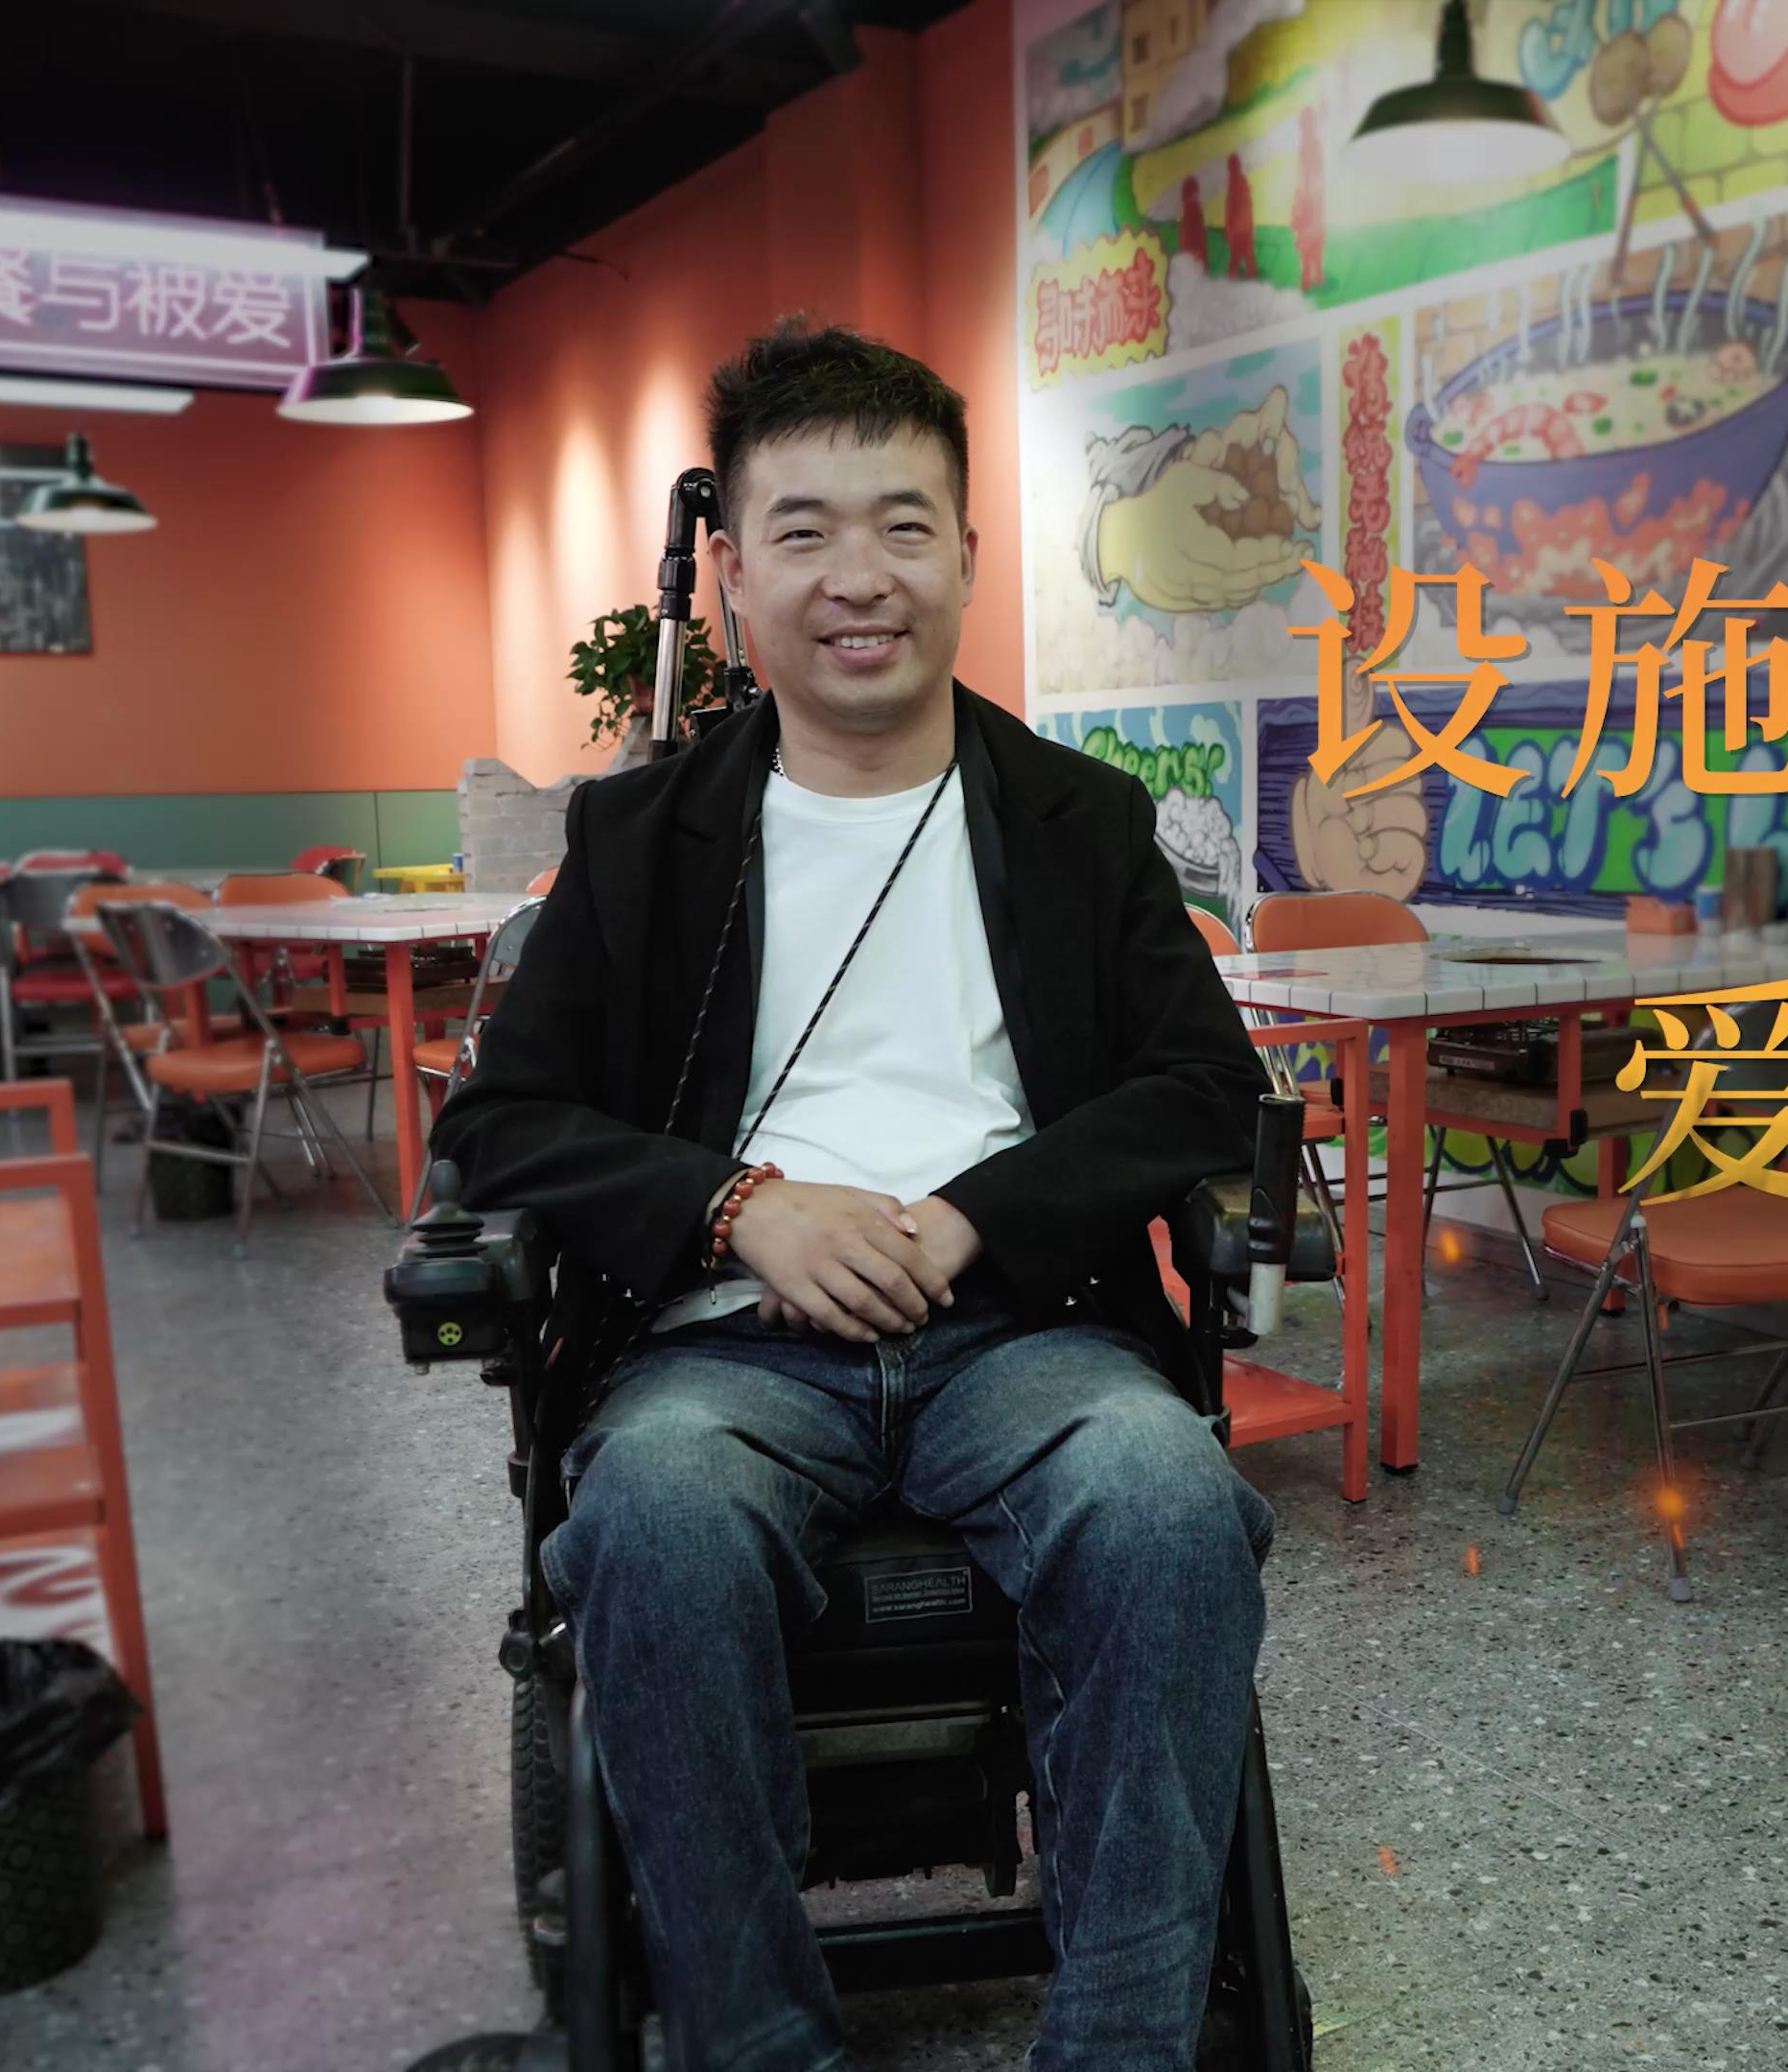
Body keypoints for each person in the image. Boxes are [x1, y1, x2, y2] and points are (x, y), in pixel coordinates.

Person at [434, 318, 1272, 2072]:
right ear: (735, 574)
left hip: (1024, 1333)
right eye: (802, 531)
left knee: (1166, 1500)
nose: (858, 576)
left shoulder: (1080, 822)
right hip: (724, 1346)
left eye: (903, 524)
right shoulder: (639, 842)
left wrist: (974, 1214)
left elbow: (1206, 1087)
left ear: (966, 550)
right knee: (655, 1520)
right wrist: (739, 1207)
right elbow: (500, 1122)